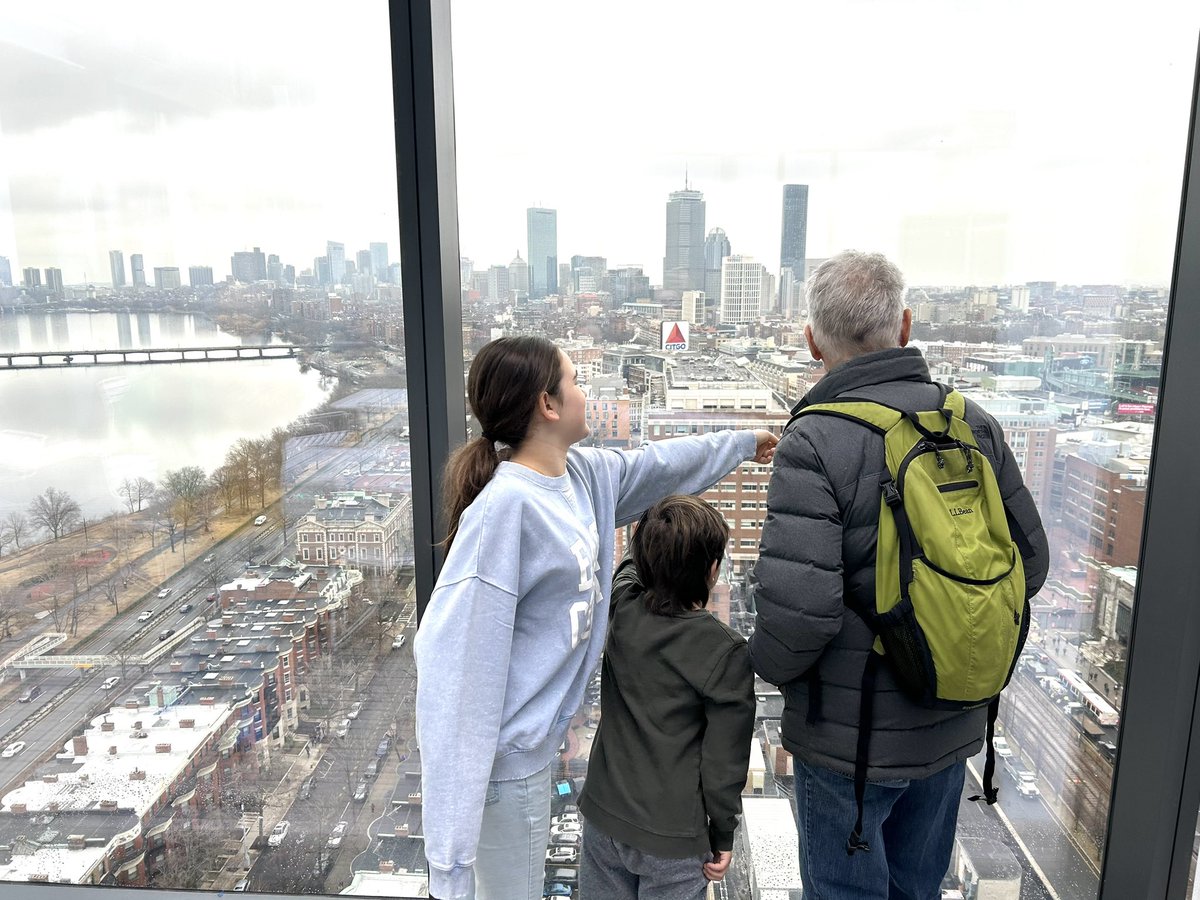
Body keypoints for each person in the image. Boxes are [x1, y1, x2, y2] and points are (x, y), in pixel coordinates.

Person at [415, 336, 777, 900]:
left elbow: (661, 466)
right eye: (575, 381)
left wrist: (743, 443)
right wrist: (450, 868)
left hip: (532, 757)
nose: (586, 391)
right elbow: (452, 679)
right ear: (548, 406)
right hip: (504, 771)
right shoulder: (504, 513)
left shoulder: (582, 477)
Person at [750, 251, 1049, 899]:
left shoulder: (814, 440)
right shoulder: (971, 422)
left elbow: (798, 614)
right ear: (905, 324)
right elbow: (1032, 564)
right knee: (918, 889)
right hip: (950, 724)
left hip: (846, 744)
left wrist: (767, 668)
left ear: (810, 340)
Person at [578, 495, 756, 900]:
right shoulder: (724, 651)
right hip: (675, 838)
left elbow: (627, 567)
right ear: (713, 570)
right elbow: (723, 762)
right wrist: (723, 833)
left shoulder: (622, 609)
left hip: (605, 818)